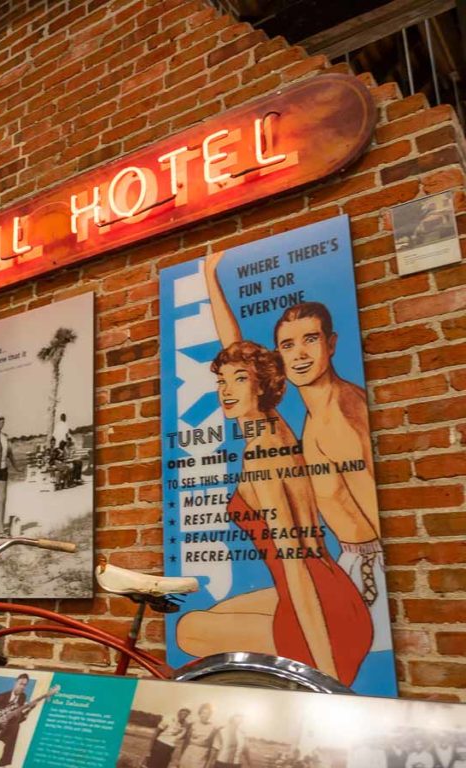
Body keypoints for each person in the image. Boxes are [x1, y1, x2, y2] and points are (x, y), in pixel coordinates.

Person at [204, 251, 388, 654]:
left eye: (311, 339)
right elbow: (235, 357)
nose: (300, 353)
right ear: (278, 362)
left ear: (332, 343)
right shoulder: (281, 417)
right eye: (288, 345)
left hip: (366, 582)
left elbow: (380, 516)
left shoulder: (335, 420)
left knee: (197, 630)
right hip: (340, 572)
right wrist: (209, 276)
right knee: (205, 621)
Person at [175, 340, 371, 684]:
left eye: (240, 379)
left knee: (186, 629)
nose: (226, 390)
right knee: (215, 613)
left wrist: (326, 675)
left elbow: (294, 564)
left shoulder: (260, 456)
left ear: (262, 385)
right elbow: (233, 342)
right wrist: (210, 282)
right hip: (342, 600)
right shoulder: (277, 428)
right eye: (221, 380)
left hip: (321, 617)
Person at [178, 703, 219, 768]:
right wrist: (180, 757)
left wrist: (209, 763)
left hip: (201, 754)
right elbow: (185, 741)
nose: (205, 716)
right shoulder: (193, 724)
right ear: (199, 713)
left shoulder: (213, 728)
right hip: (189, 751)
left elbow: (214, 748)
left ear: (210, 715)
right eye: (203, 713)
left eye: (208, 714)